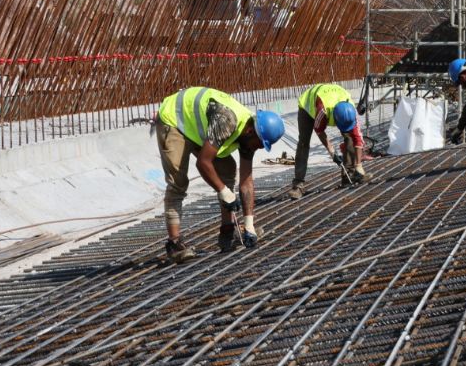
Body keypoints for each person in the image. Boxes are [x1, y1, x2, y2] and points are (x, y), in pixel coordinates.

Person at [154, 86, 285, 263]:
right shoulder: (227, 121)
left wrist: (249, 224)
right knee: (178, 181)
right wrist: (224, 191)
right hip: (175, 120)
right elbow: (203, 163)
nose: (259, 148)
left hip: (197, 128)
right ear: (250, 132)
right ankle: (174, 244)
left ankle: (228, 231)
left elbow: (246, 182)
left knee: (227, 169)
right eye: (260, 144)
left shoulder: (250, 136)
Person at [288, 82, 367, 199]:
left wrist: (359, 165)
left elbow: (358, 139)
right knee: (304, 143)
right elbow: (319, 131)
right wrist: (332, 152)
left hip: (332, 99)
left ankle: (348, 174)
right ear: (335, 119)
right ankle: (298, 185)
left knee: (350, 136)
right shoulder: (323, 110)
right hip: (307, 107)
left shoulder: (350, 109)